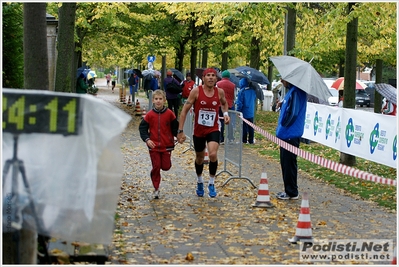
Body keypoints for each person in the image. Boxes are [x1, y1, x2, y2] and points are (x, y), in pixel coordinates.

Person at [177, 68, 230, 198]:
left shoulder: (220, 92)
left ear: (216, 79)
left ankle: (211, 183)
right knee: (200, 158)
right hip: (199, 129)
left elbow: (224, 104)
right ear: (203, 78)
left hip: (214, 128)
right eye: (208, 76)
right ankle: (200, 181)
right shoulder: (196, 91)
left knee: (212, 154)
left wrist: (226, 113)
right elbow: (184, 111)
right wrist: (180, 131)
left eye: (213, 76)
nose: (211, 78)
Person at [139, 90, 179, 199]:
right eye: (156, 99)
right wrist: (147, 139)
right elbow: (142, 128)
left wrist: (177, 136)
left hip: (167, 145)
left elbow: (175, 127)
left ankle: (161, 168)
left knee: (166, 167)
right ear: (153, 100)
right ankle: (156, 188)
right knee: (156, 166)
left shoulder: (170, 114)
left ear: (164, 100)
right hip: (154, 146)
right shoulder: (149, 115)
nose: (158, 101)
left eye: (160, 99)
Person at [275, 79, 307, 200]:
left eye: (283, 79)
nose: (281, 81)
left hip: (290, 133)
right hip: (288, 133)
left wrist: (284, 123)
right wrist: (283, 105)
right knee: (287, 162)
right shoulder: (293, 92)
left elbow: (293, 113)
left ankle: (291, 191)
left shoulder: (296, 92)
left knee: (289, 163)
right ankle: (289, 190)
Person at [216, 70, 236, 144]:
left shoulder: (218, 84)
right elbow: (234, 96)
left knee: (220, 121)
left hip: (220, 105)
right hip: (230, 105)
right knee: (229, 122)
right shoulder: (233, 85)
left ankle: (221, 139)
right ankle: (230, 138)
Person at [236, 77, 256, 144]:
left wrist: (238, 110)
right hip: (251, 111)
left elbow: (239, 103)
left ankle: (244, 140)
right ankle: (251, 140)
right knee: (251, 126)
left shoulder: (242, 92)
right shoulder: (253, 91)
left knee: (244, 126)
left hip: (244, 111)